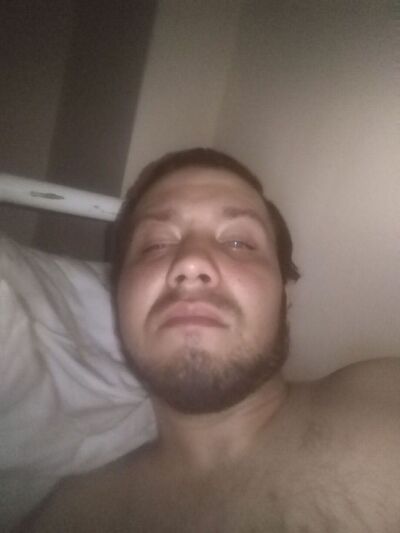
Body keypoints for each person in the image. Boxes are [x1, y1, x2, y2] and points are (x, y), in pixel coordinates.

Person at [19, 148, 400, 532]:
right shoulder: (67, 516)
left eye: (239, 243)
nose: (191, 263)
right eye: (155, 245)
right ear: (118, 296)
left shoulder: (387, 401)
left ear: (283, 297)